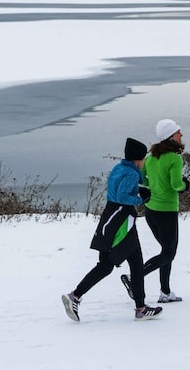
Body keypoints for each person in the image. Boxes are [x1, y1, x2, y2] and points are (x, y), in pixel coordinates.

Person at [62, 138, 163, 322]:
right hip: (122, 222)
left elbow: (117, 190)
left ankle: (140, 308)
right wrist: (141, 200)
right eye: (143, 159)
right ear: (137, 160)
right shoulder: (132, 174)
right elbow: (123, 196)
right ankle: (75, 296)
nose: (144, 162)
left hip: (112, 216)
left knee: (136, 264)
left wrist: (139, 190)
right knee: (108, 265)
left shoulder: (119, 169)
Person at [132, 118, 188, 303]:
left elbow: (144, 180)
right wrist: (185, 185)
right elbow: (176, 185)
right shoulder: (175, 158)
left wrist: (152, 188)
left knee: (166, 252)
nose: (181, 134)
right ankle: (135, 279)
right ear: (171, 136)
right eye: (178, 132)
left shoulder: (150, 158)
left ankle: (165, 292)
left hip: (151, 211)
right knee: (169, 253)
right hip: (167, 212)